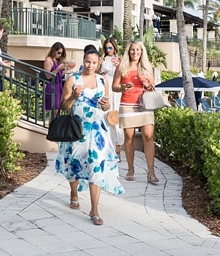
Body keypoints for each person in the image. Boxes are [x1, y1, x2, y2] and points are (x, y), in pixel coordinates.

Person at [55, 46, 124, 225]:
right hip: (76, 129)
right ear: (83, 60)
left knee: (95, 164)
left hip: (97, 130)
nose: (90, 65)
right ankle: (74, 192)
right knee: (73, 163)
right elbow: (63, 106)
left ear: (98, 62)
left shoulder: (103, 81)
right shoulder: (73, 79)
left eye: (94, 63)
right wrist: (73, 97)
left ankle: (94, 210)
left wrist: (105, 104)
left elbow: (106, 107)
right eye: (87, 62)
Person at [112, 39, 158, 184]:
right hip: (127, 104)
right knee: (129, 137)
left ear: (142, 51)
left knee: (149, 136)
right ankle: (130, 169)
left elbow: (153, 88)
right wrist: (122, 88)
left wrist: (147, 84)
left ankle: (151, 172)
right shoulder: (122, 66)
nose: (135, 52)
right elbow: (114, 86)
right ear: (128, 51)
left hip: (144, 104)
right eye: (132, 50)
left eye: (138, 50)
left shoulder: (146, 66)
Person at [99, 38, 122, 158]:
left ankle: (117, 150)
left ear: (114, 47)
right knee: (105, 118)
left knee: (116, 119)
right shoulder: (103, 59)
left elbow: (123, 75)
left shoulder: (119, 59)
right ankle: (107, 149)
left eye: (110, 48)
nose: (108, 50)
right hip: (105, 89)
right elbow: (98, 73)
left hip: (116, 91)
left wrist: (119, 66)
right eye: (107, 48)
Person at [43, 42, 70, 115]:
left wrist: (67, 68)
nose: (59, 55)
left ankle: (55, 126)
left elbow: (60, 75)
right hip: (52, 86)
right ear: (54, 50)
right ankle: (52, 126)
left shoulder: (58, 61)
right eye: (58, 53)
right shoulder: (49, 60)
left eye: (61, 53)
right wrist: (58, 69)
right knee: (54, 111)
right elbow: (48, 76)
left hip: (59, 86)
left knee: (57, 111)